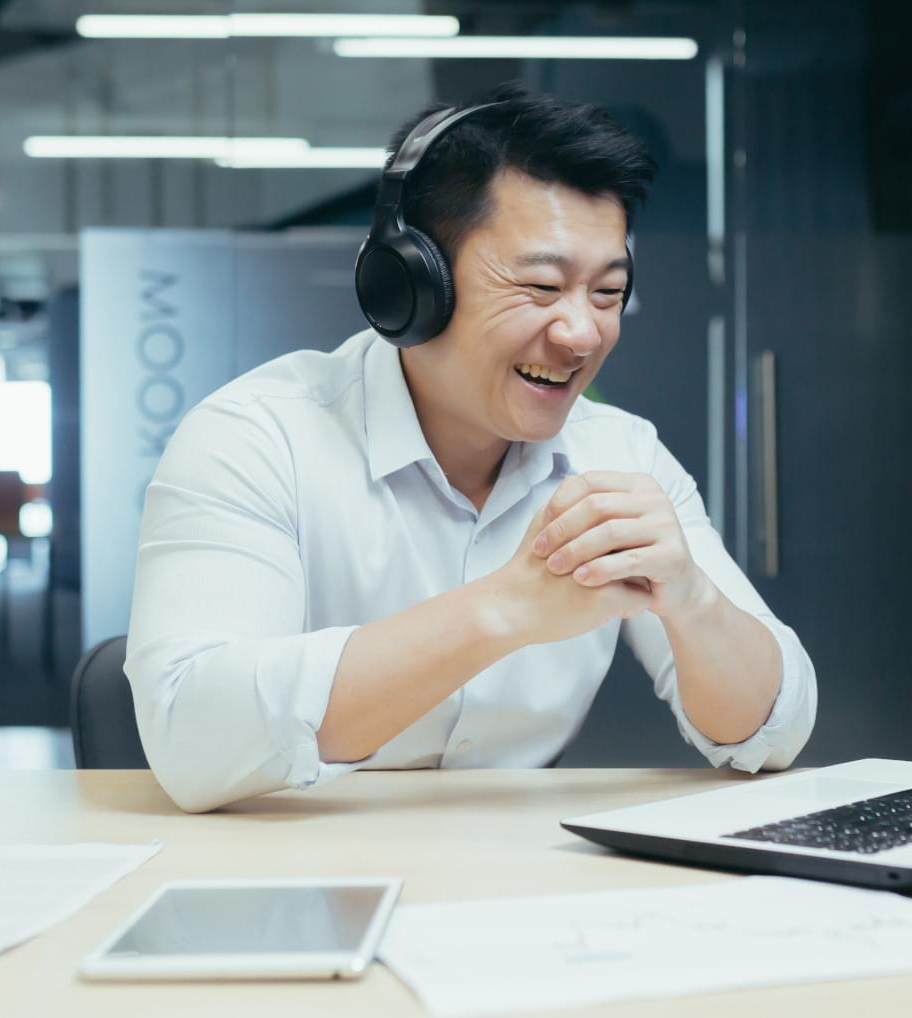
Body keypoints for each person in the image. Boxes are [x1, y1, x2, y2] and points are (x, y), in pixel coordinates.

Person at [124, 83, 817, 811]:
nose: (582, 334)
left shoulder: (622, 455)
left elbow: (775, 732)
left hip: (519, 881)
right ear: (412, 283)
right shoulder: (257, 437)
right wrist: (502, 611)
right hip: (294, 886)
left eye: (608, 294)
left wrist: (695, 602)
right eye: (541, 285)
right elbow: (188, 739)